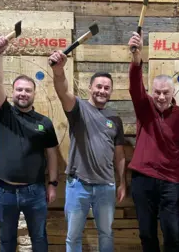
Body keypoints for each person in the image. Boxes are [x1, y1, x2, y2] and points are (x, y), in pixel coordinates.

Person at [48, 50, 127, 252]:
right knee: (73, 237)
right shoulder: (78, 109)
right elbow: (62, 91)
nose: (102, 90)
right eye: (98, 86)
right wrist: (59, 71)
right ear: (90, 87)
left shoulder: (115, 120)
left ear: (111, 92)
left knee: (106, 234)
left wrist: (122, 183)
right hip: (78, 186)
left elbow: (119, 155)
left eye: (106, 88)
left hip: (106, 187)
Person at [0, 36, 60, 252]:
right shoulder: (5, 113)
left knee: (39, 238)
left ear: (34, 94)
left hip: (35, 191)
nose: (23, 94)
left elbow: (52, 155)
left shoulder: (44, 123)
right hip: (5, 191)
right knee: (6, 241)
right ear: (13, 92)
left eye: (27, 90)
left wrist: (53, 184)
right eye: (19, 90)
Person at [127, 31, 179, 252]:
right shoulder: (144, 107)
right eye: (157, 92)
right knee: (146, 233)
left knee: (172, 233)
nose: (161, 97)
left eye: (166, 92)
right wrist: (137, 61)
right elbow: (135, 87)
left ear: (173, 92)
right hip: (143, 180)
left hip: (170, 183)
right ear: (152, 93)